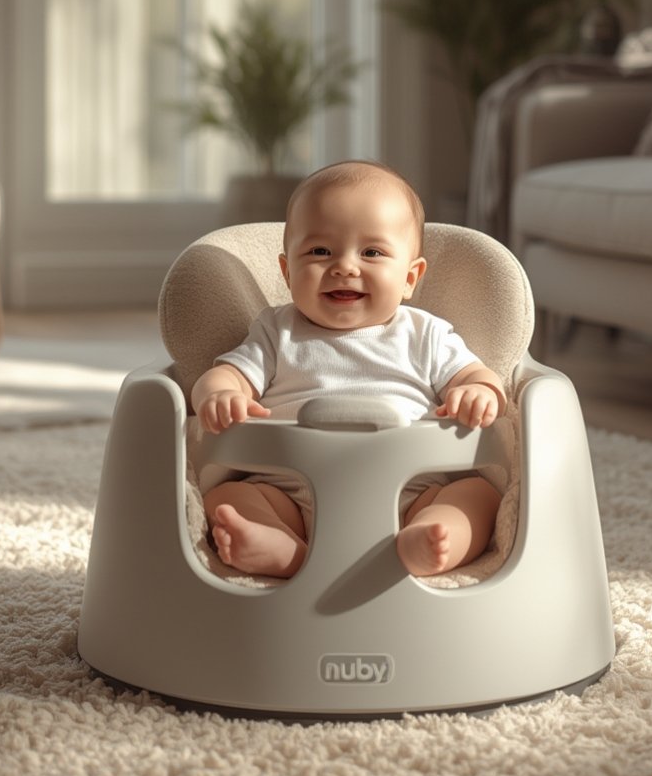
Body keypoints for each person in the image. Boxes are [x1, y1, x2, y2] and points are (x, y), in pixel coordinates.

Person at [191, 161, 506, 580]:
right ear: (287, 272)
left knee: (477, 496)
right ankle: (284, 550)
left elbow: (476, 376)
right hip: (290, 488)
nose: (345, 266)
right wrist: (219, 394)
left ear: (410, 277)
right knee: (228, 496)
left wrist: (478, 391)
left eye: (372, 252)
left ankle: (428, 538)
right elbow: (229, 374)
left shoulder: (424, 333)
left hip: (410, 490)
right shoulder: (276, 330)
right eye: (320, 251)